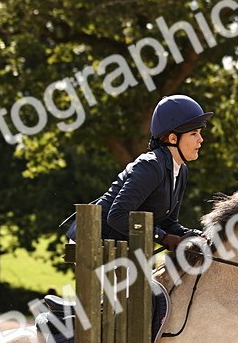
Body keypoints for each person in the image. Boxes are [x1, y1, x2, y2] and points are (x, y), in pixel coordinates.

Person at [63, 95, 212, 254]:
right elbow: (117, 216)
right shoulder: (151, 165)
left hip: (119, 244)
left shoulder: (181, 170)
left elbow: (168, 223)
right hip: (92, 238)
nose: (201, 140)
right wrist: (161, 237)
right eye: (194, 133)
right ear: (173, 138)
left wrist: (192, 234)